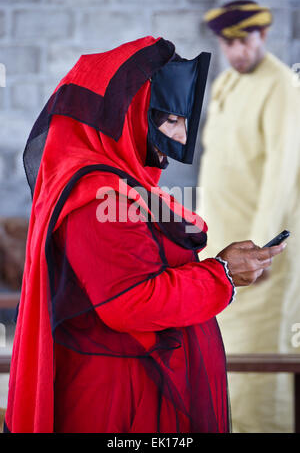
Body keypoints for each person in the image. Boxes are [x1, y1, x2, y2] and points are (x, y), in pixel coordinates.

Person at [3, 36, 285, 433]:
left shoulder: (123, 189)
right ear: (130, 113)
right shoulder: (97, 197)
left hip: (141, 387)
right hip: (121, 401)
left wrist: (227, 271)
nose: (182, 138)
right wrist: (222, 274)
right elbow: (132, 302)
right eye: (171, 120)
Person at [197, 0, 300, 433]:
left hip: (256, 261)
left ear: (263, 36)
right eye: (228, 43)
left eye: (244, 41)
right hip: (223, 258)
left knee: (259, 372)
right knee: (227, 369)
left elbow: (282, 172)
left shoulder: (281, 86)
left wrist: (263, 251)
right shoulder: (227, 84)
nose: (237, 51)